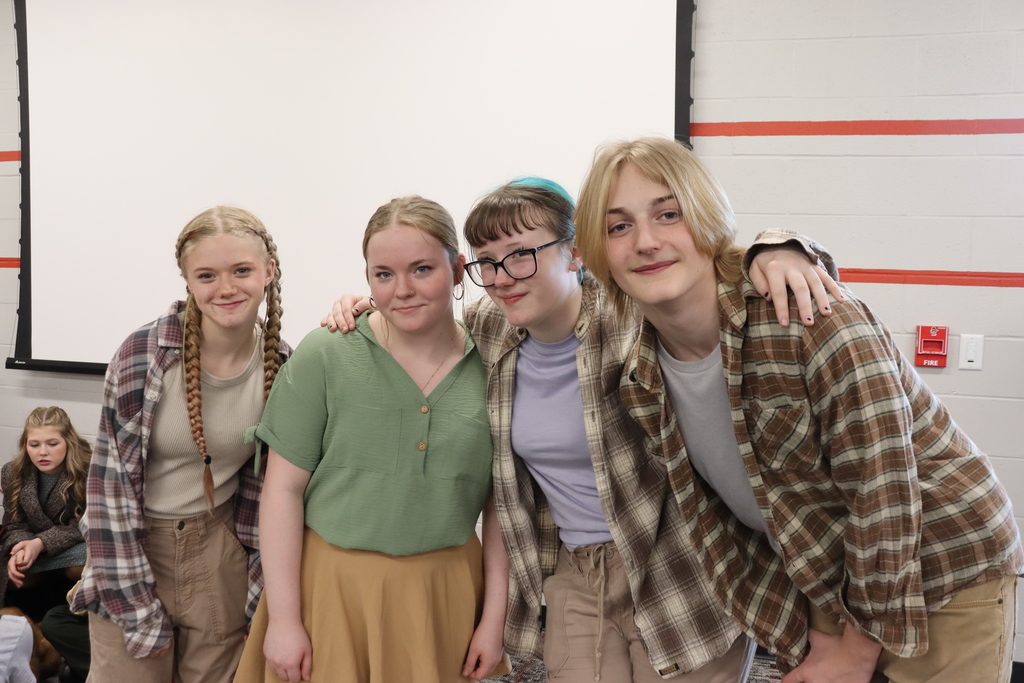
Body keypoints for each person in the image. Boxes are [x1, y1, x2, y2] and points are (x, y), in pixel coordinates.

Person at [327, 178, 841, 682]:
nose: (503, 276)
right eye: (487, 262)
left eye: (522, 254)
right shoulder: (489, 330)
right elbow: (421, 311)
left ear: (575, 253)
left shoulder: (629, 315)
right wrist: (365, 305)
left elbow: (703, 272)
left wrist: (778, 249)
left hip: (679, 565)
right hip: (576, 572)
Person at [573, 136, 1024, 683]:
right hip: (824, 567)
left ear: (708, 218)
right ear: (597, 252)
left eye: (669, 213)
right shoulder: (642, 372)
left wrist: (859, 650)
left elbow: (883, 491)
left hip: (943, 561)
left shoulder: (811, 318)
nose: (645, 241)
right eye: (618, 226)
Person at [237, 195, 509, 683]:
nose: (402, 290)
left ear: (458, 267)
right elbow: (281, 492)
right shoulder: (326, 353)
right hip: (331, 593)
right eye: (383, 275)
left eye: (422, 269)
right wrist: (283, 620)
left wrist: (492, 621)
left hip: (444, 597)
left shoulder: (495, 363)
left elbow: (501, 510)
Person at [71, 206, 289, 683]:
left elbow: (272, 494)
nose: (226, 288)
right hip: (132, 543)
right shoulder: (142, 355)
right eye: (207, 275)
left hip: (220, 549)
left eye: (242, 271)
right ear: (187, 280)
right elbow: (110, 491)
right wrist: (136, 606)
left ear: (269, 272)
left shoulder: (284, 367)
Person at [1, 407, 90, 623]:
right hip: (33, 549)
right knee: (14, 572)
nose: (42, 452)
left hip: (73, 547)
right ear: (25, 445)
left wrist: (40, 543)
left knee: (85, 563)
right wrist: (20, 547)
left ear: (68, 442)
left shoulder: (88, 469)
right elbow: (13, 524)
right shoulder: (12, 472)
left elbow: (84, 524)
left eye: (52, 444)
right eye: (34, 445)